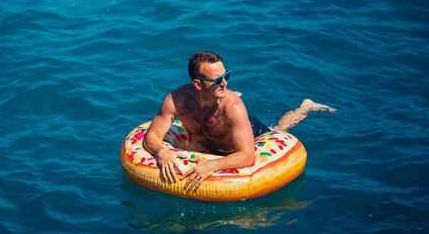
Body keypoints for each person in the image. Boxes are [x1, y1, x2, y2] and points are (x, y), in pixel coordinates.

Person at [142, 51, 336, 192]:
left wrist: (212, 165)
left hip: (249, 132)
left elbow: (247, 156)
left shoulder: (233, 106)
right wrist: (161, 152)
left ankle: (305, 107)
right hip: (209, 142)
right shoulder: (176, 100)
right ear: (197, 84)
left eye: (226, 76)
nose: (225, 82)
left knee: (279, 128)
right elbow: (151, 137)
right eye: (218, 80)